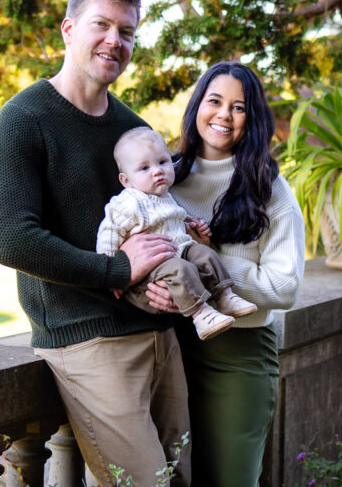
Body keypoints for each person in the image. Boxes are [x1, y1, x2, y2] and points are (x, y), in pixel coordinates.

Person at [0, 0, 188, 487]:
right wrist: (116, 273)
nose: (114, 41)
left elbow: (151, 228)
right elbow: (12, 239)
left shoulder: (132, 129)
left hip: (158, 332)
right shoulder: (23, 119)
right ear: (69, 29)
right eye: (101, 25)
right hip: (87, 340)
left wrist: (163, 284)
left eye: (127, 31)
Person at [146, 61, 305, 487]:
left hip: (238, 357)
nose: (224, 115)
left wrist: (210, 261)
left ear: (253, 118)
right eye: (215, 101)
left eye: (239, 107)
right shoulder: (163, 175)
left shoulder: (268, 189)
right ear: (197, 106)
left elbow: (285, 286)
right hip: (169, 349)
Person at [96, 126, 258, 340]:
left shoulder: (164, 195)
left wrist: (193, 224)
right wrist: (111, 273)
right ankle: (201, 315)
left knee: (204, 253)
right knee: (180, 268)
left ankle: (224, 296)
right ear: (126, 180)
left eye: (162, 162)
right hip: (154, 269)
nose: (157, 171)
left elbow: (175, 219)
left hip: (178, 251)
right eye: (144, 168)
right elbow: (108, 234)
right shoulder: (128, 203)